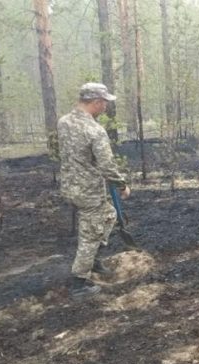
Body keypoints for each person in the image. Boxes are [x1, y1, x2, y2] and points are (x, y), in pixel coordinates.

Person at [58, 82, 130, 298]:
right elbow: (107, 164)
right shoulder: (94, 130)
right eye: (105, 103)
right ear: (96, 102)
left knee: (109, 214)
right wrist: (121, 184)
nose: (106, 107)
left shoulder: (64, 122)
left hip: (70, 186)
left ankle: (94, 260)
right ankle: (79, 282)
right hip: (88, 190)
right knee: (91, 234)